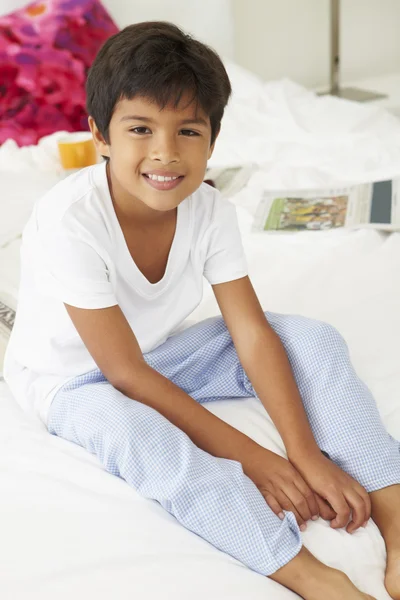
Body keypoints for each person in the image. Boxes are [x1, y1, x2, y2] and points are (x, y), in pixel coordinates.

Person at [4, 21, 400, 600]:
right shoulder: (72, 221)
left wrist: (305, 453)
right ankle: (313, 577)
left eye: (187, 131)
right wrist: (260, 460)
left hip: (165, 355)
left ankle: (395, 515)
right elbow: (124, 375)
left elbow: (250, 330)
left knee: (309, 339)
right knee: (136, 435)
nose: (165, 153)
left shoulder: (209, 209)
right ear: (101, 136)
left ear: (212, 141)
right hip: (76, 382)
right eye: (140, 129)